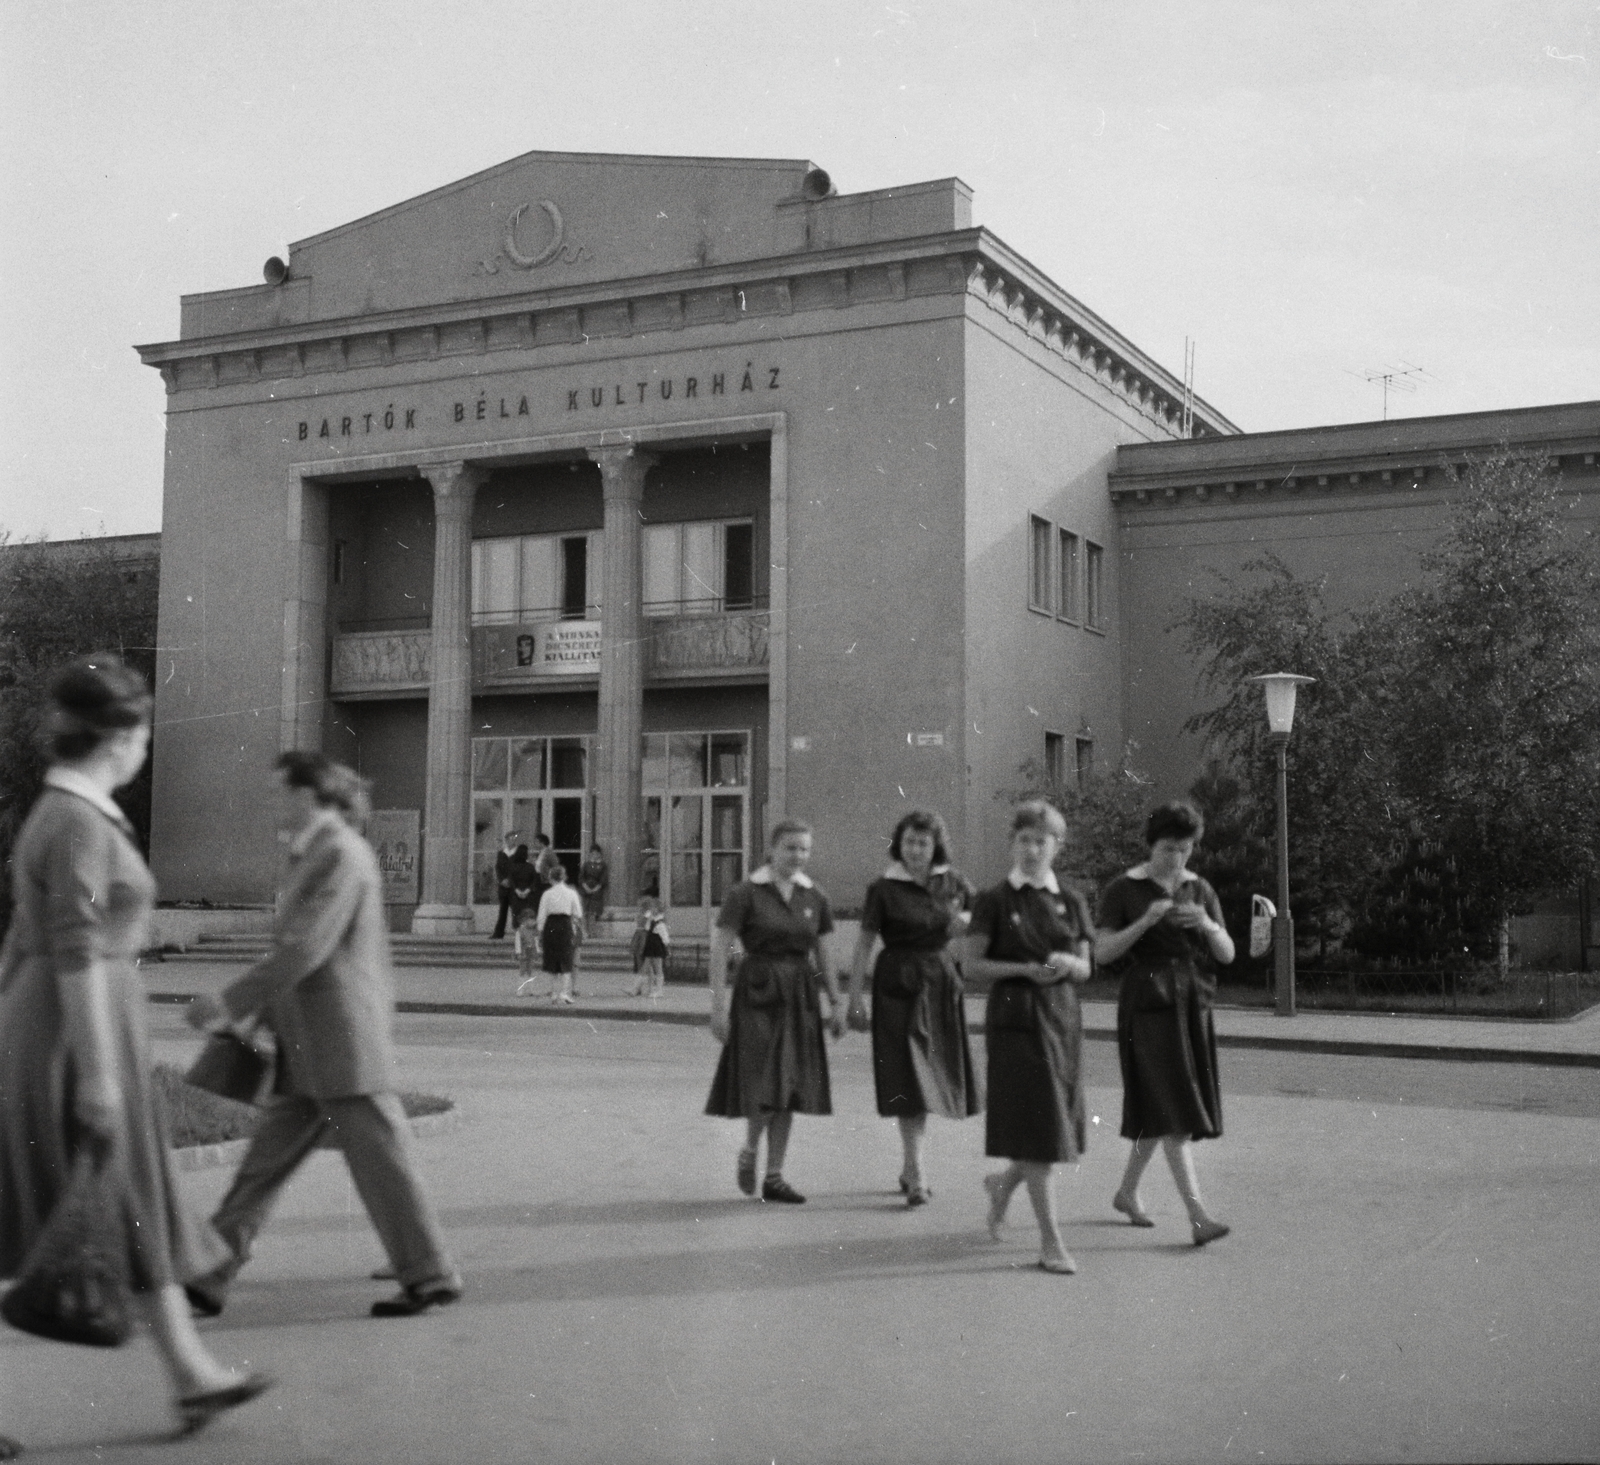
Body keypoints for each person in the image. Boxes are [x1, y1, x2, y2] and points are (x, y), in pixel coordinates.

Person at [0, 655, 272, 1434]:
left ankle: (191, 1375)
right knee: (37, 1205)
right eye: (144, 728)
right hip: (69, 1035)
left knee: (134, 1200)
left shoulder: (74, 813)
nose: (147, 742)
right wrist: (93, 1074)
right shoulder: (76, 820)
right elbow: (78, 948)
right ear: (118, 735)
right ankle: (190, 1374)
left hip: (74, 1028)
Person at [185, 751, 464, 1318]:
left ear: (309, 795)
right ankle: (210, 1272)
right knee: (264, 1165)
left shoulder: (340, 851)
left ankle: (431, 1272)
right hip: (310, 1047)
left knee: (382, 1162)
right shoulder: (313, 850)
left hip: (342, 1042)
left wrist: (229, 1002)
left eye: (278, 791)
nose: (271, 802)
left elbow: (308, 948)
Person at [959, 800, 1094, 1274]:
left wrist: (1071, 965)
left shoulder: (1070, 900)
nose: (1032, 849)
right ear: (1012, 844)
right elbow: (971, 965)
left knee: (1049, 1127)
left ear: (1057, 846)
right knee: (1042, 1131)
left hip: (1061, 1021)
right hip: (1015, 1020)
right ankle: (1051, 1242)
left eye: (1042, 841)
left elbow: (1085, 966)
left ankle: (1002, 1186)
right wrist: (1024, 970)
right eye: (1024, 840)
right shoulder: (994, 900)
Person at [1095, 801, 1234, 1246]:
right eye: (1169, 848)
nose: (1177, 858)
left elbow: (1227, 953)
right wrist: (1145, 920)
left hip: (1190, 1002)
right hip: (1146, 1002)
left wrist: (1208, 924)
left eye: (1185, 849)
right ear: (1151, 844)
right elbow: (1102, 953)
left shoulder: (1200, 888)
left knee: (1163, 1105)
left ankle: (1126, 1193)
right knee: (1173, 1106)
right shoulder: (1124, 889)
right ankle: (1197, 1215)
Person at [705, 819, 845, 1204]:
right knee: (767, 1080)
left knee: (791, 1084)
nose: (797, 856)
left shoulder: (815, 896)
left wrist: (835, 1003)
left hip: (800, 993)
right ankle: (750, 1148)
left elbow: (824, 954)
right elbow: (722, 949)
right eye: (790, 848)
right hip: (757, 991)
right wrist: (718, 1006)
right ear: (772, 850)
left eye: (804, 849)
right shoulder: (746, 892)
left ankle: (775, 1175)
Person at [846, 810, 980, 1208]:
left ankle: (910, 1166)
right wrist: (854, 997)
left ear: (934, 845)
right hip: (897, 985)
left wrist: (965, 921)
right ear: (898, 845)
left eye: (922, 842)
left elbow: (983, 917)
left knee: (932, 1077)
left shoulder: (952, 882)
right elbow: (864, 944)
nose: (915, 850)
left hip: (938, 983)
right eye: (908, 842)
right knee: (909, 1077)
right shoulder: (883, 888)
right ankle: (917, 1172)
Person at [535, 863, 585, 1005]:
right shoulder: (571, 893)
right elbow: (578, 913)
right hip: (565, 925)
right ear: (563, 877)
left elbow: (541, 915)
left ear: (551, 878)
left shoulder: (547, 894)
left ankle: (553, 993)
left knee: (551, 959)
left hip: (550, 925)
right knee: (566, 959)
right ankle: (565, 992)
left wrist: (539, 933)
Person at [630, 897, 669, 998]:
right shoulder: (652, 920)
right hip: (650, 946)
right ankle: (636, 988)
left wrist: (665, 945)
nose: (651, 910)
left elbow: (665, 937)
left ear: (658, 909)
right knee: (644, 967)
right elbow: (647, 928)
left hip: (657, 947)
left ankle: (659, 990)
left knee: (658, 968)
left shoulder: (660, 922)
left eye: (653, 908)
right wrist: (650, 919)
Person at [490, 828, 523, 940]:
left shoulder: (518, 853)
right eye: (509, 839)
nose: (511, 841)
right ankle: (499, 932)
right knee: (502, 910)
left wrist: (511, 880)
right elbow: (498, 868)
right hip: (503, 887)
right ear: (506, 840)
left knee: (516, 910)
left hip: (515, 886)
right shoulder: (501, 853)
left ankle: (518, 933)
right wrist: (502, 880)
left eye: (513, 839)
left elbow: (520, 867)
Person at [578, 843, 608, 929]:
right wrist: (586, 888)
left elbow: (603, 880)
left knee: (593, 913)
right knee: (584, 912)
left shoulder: (603, 865)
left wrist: (595, 889)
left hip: (596, 892)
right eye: (592, 853)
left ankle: (592, 932)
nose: (594, 855)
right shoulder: (586, 864)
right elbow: (581, 878)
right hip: (585, 890)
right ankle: (585, 932)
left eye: (596, 853)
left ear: (599, 854)